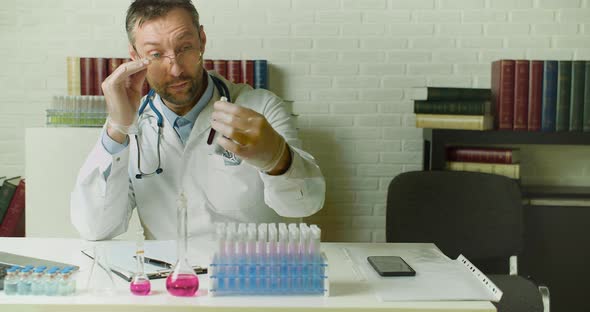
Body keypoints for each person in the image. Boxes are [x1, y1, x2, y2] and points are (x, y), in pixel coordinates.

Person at [71, 0, 325, 241]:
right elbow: (95, 227)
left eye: (184, 48)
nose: (176, 70)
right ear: (135, 55)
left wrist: (278, 159)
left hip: (249, 275)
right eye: (156, 54)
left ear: (202, 40)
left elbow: (303, 205)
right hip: (170, 278)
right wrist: (117, 129)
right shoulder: (129, 125)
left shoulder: (261, 107)